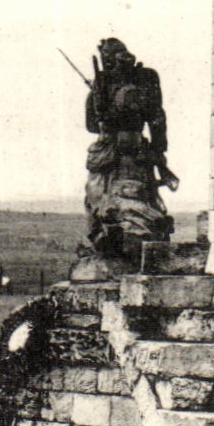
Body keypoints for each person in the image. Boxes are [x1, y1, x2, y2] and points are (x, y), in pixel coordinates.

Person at [78, 37, 177, 275]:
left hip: (118, 152)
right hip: (123, 152)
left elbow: (92, 125)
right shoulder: (145, 79)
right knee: (114, 201)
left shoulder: (118, 82)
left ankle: (124, 244)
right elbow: (157, 119)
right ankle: (112, 242)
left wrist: (101, 105)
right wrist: (158, 150)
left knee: (122, 202)